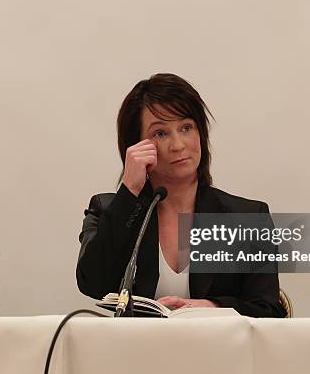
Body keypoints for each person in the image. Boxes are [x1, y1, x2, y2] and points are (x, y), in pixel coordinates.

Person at [76, 73, 285, 317]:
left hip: (219, 351)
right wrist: (130, 191)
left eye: (186, 128)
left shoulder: (248, 217)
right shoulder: (109, 210)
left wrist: (213, 308)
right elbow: (93, 283)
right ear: (137, 146)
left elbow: (270, 310)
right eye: (160, 133)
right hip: (136, 351)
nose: (178, 145)